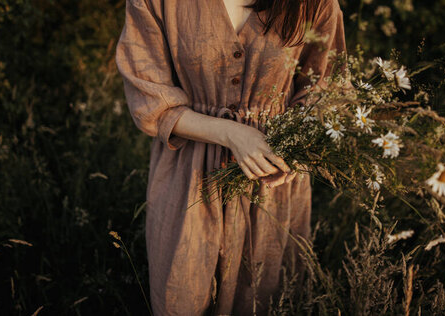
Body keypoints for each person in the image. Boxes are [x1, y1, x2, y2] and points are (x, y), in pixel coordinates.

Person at [115, 0, 346, 314]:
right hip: (190, 181)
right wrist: (231, 133)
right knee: (183, 297)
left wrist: (295, 146)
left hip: (271, 186)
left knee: (264, 299)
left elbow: (325, 88)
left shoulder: (315, 4)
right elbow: (149, 96)